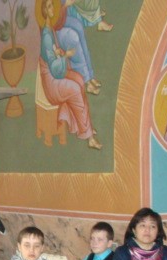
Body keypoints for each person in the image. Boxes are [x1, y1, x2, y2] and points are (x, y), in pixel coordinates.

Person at [38, 0, 102, 150]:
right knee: (75, 88)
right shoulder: (46, 35)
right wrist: (65, 55)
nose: (53, 8)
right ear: (44, 11)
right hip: (52, 83)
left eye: (52, 5)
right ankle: (89, 137)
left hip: (57, 74)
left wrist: (60, 53)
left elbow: (54, 54)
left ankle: (85, 125)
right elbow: (54, 68)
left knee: (79, 79)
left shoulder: (49, 29)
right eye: (49, 7)